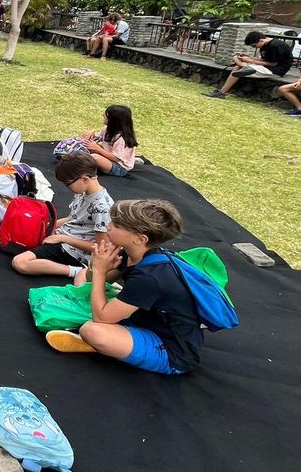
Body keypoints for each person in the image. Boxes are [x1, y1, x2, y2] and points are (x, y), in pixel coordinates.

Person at [44, 199, 202, 375]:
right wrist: (98, 268)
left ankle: (101, 345)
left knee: (92, 330)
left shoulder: (150, 277)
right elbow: (90, 282)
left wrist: (99, 270)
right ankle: (117, 341)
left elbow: (101, 318)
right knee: (82, 275)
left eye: (117, 225)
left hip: (171, 349)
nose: (108, 226)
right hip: (142, 319)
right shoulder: (133, 253)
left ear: (140, 239)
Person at [10, 153, 113, 284]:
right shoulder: (83, 191)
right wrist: (46, 225)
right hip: (61, 238)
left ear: (85, 179)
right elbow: (74, 218)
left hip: (72, 251)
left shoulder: (102, 207)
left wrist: (61, 238)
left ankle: (75, 270)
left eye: (68, 184)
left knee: (20, 262)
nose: (67, 188)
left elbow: (99, 247)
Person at [205, 30, 294, 99]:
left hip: (277, 70)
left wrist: (251, 61)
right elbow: (264, 60)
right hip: (268, 66)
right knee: (238, 66)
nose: (254, 47)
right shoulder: (265, 45)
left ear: (261, 40)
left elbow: (273, 63)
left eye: (254, 45)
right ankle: (222, 91)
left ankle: (244, 68)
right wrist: (249, 57)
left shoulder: (275, 46)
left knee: (240, 67)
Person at [82, 104, 137, 176]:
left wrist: (98, 149)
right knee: (86, 147)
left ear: (114, 121)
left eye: (106, 116)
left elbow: (116, 159)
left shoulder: (122, 139)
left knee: (94, 157)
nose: (103, 116)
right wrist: (92, 134)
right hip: (107, 157)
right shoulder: (106, 129)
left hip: (119, 167)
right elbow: (99, 138)